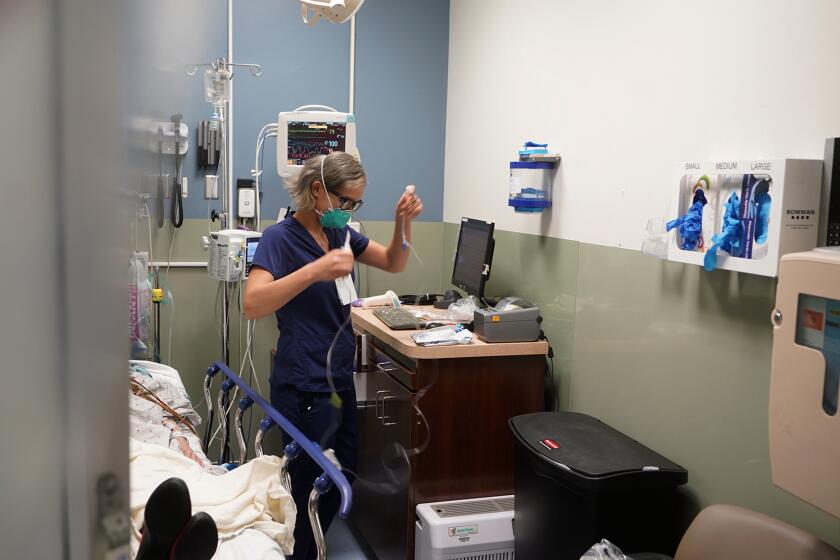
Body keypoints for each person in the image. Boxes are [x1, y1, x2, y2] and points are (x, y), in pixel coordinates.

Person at [244, 151, 422, 559]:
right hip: (302, 381)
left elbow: (394, 261)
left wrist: (403, 223)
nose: (349, 211)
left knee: (346, 471)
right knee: (309, 484)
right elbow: (252, 303)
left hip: (337, 376)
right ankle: (303, 553)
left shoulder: (340, 234)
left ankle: (308, 548)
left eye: (356, 204)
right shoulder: (280, 238)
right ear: (317, 190)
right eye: (345, 202)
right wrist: (317, 270)